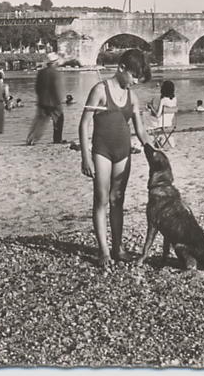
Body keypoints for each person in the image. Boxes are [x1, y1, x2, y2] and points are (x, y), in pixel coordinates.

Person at [79, 49, 154, 268]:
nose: (135, 82)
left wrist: (152, 150)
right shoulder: (100, 90)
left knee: (117, 199)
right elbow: (84, 124)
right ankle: (103, 250)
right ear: (121, 68)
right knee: (101, 199)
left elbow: (141, 130)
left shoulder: (132, 97)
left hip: (123, 153)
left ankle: (118, 248)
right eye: (134, 76)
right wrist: (85, 157)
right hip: (102, 151)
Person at [26, 52, 65, 145]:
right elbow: (57, 88)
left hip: (42, 100)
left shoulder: (41, 72)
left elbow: (37, 87)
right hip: (54, 101)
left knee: (40, 121)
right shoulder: (55, 73)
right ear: (55, 62)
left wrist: (40, 97)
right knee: (59, 120)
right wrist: (59, 100)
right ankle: (57, 140)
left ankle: (31, 139)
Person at [149, 80, 178, 147]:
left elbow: (157, 115)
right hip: (169, 122)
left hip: (161, 123)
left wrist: (151, 107)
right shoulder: (175, 99)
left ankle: (153, 139)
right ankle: (157, 140)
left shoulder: (163, 100)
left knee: (145, 115)